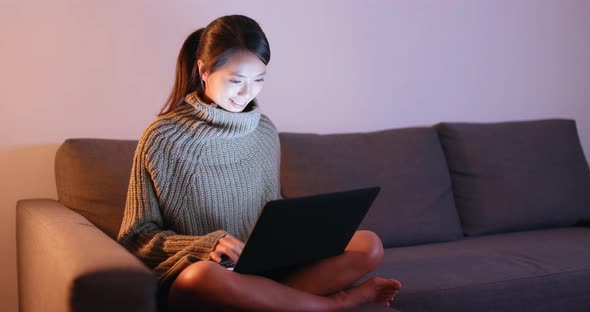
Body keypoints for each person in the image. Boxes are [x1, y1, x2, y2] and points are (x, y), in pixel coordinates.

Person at [117, 14, 402, 312]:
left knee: (368, 245)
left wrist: (301, 235)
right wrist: (206, 245)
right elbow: (136, 236)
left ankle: (265, 302)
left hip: (264, 269)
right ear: (203, 70)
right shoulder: (162, 138)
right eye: (236, 80)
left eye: (258, 80)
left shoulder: (264, 131)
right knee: (202, 277)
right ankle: (333, 304)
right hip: (204, 274)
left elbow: (271, 209)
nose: (247, 92)